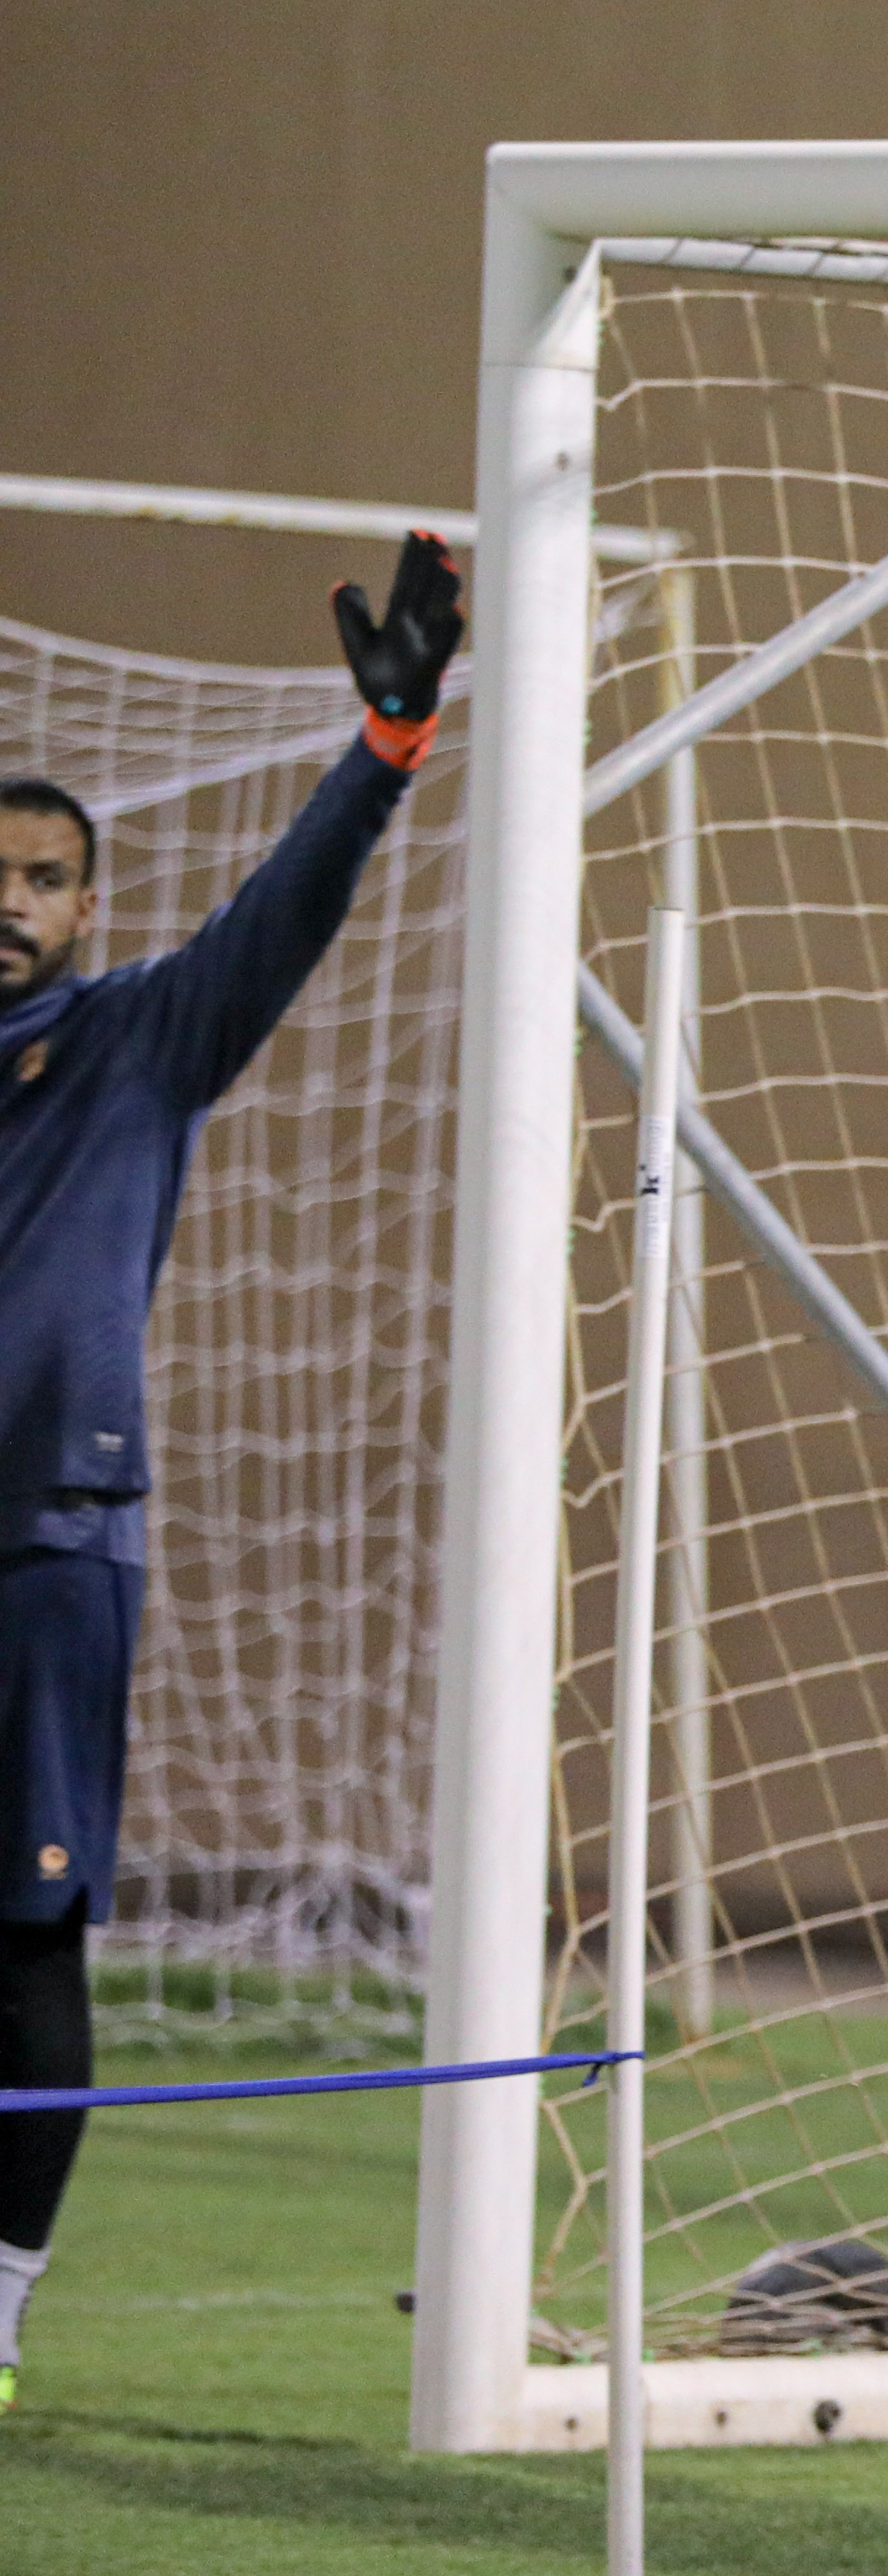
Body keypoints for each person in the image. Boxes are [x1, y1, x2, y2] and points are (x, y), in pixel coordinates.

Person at [0, 532, 463, 2408]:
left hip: (47, 1555)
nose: (11, 901)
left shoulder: (137, 1041)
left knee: (25, 1937)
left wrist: (386, 748)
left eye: (43, 876)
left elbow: (283, 913)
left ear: (88, 905)